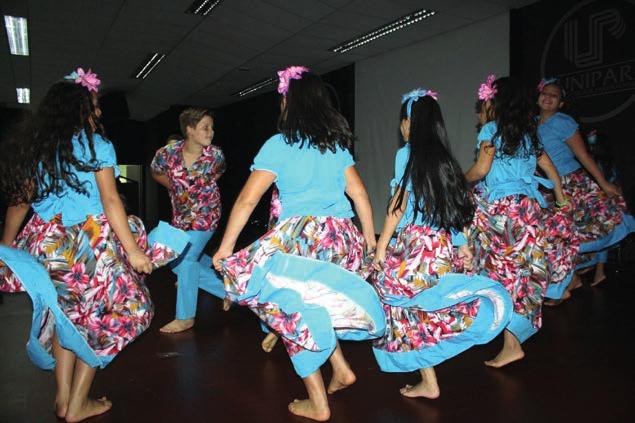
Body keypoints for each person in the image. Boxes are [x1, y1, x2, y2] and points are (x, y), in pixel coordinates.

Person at [0, 68, 187, 422]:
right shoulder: (95, 145)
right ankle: (79, 404)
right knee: (101, 319)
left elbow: (19, 203)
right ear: (78, 109)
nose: (98, 113)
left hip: (48, 246)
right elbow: (111, 201)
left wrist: (6, 247)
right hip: (91, 245)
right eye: (94, 106)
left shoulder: (34, 147)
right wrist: (133, 250)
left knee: (65, 319)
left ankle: (63, 398)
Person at [213, 66, 381, 421]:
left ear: (289, 101)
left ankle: (318, 403)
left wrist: (226, 247)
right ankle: (341, 369)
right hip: (341, 239)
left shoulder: (279, 145)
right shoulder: (334, 146)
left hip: (301, 240)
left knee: (287, 310)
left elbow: (246, 201)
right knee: (313, 307)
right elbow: (361, 194)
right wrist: (368, 240)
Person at [370, 88, 512, 398]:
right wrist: (461, 243)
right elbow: (451, 205)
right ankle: (429, 379)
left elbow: (398, 202)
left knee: (397, 301)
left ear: (411, 123)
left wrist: (381, 246)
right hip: (442, 247)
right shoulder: (445, 159)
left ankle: (428, 378)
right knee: (417, 307)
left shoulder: (405, 155)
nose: (401, 128)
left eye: (403, 121)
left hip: (417, 247)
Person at [466, 75, 566, 367]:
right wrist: (559, 196)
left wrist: (459, 180)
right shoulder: (528, 132)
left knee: (499, 272)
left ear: (496, 102)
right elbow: (549, 167)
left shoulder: (491, 130)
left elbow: (481, 169)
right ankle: (513, 341)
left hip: (503, 213)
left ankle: (504, 336)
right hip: (530, 210)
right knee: (526, 273)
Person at [536, 78, 634, 289]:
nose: (548, 98)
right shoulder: (531, 123)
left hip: (571, 184)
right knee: (553, 235)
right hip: (547, 187)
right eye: (545, 93)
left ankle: (571, 280)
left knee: (581, 229)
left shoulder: (563, 122)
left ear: (561, 103)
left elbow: (584, 156)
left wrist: (604, 184)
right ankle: (570, 279)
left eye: (554, 95)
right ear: (538, 97)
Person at [151, 108, 226, 333]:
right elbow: (156, 172)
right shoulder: (167, 154)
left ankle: (185, 317)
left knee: (185, 260)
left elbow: (218, 173)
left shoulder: (215, 155)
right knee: (182, 262)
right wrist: (173, 186)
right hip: (181, 217)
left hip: (207, 215)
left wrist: (200, 192)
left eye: (212, 127)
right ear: (190, 130)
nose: (211, 132)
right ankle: (230, 290)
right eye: (205, 127)